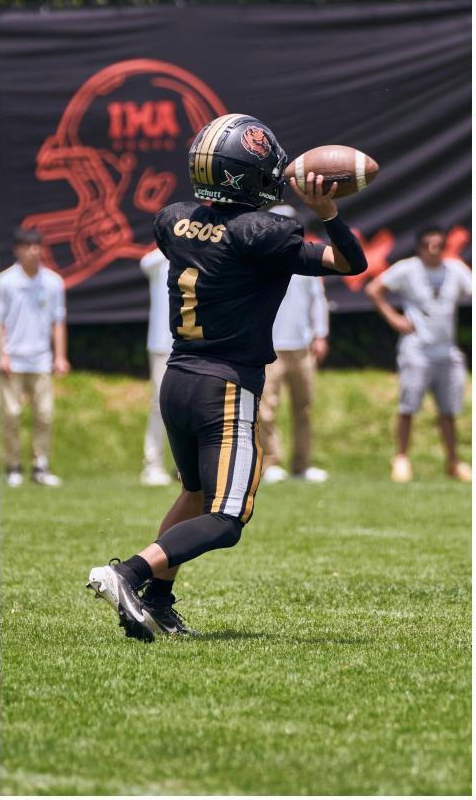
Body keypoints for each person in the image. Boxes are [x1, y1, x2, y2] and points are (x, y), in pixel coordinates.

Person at [88, 113, 367, 640]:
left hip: (178, 380)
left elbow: (215, 229)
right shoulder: (266, 232)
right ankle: (126, 574)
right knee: (226, 518)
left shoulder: (173, 220)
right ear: (249, 174)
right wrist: (327, 209)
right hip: (225, 386)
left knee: (194, 494)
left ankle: (159, 603)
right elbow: (350, 263)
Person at [366, 226, 472, 483]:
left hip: (447, 351)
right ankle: (401, 458)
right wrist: (394, 318)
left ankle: (454, 461)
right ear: (420, 247)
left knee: (449, 410)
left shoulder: (455, 270)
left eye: (439, 245)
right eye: (428, 245)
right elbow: (373, 289)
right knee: (408, 407)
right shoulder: (407, 269)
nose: (434, 250)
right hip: (416, 350)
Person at [261, 204, 330, 484]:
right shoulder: (261, 257)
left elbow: (319, 299)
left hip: (302, 347)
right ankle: (271, 462)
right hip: (270, 347)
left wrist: (320, 334)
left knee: (304, 407)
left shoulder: (307, 257)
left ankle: (302, 464)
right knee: (266, 409)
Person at [1, 227, 70, 487]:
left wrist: (60, 356)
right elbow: (0, 322)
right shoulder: (5, 281)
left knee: (44, 414)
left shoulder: (53, 282)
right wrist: (2, 354)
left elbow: (58, 322)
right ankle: (13, 466)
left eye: (37, 246)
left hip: (41, 359)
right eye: (29, 246)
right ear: (17, 249)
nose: (34, 251)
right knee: (11, 414)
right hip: (13, 361)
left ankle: (40, 466)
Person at [139, 248, 173, 486]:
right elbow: (145, 261)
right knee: (159, 405)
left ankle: (187, 469)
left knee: (195, 406)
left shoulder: (204, 255)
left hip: (195, 344)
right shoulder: (159, 260)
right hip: (162, 344)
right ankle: (153, 465)